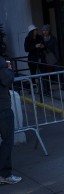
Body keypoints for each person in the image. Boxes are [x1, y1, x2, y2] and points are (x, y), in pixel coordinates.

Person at [0, 56, 22, 184]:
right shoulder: (2, 64)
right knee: (7, 141)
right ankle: (5, 174)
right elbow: (6, 79)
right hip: (2, 109)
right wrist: (8, 69)